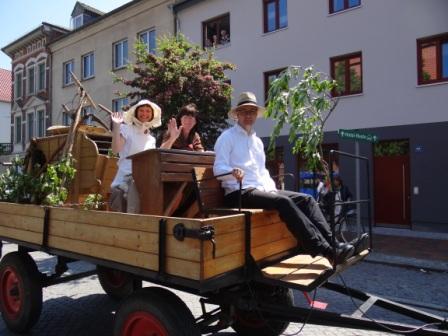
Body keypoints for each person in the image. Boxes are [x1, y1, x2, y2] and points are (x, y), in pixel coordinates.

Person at [213, 92, 365, 265]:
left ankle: (335, 244)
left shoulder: (257, 142)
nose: (249, 115)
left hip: (258, 190)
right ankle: (325, 250)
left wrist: (272, 190)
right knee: (283, 202)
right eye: (244, 111)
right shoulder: (227, 137)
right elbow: (218, 168)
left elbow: (262, 172)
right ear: (237, 114)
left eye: (252, 111)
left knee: (306, 199)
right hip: (237, 192)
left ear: (256, 115)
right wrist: (233, 171)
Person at [109, 99, 162, 213]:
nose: (144, 114)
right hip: (126, 177)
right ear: (136, 113)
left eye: (148, 111)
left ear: (152, 115)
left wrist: (172, 138)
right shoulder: (126, 129)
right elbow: (115, 149)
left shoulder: (151, 138)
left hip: (145, 176)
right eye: (141, 110)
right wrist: (117, 126)